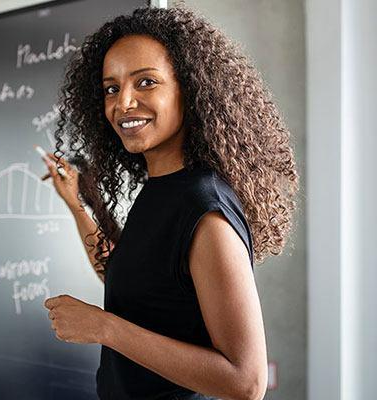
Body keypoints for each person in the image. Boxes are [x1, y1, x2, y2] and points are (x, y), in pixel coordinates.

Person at [42, 5, 298, 400]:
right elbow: (132, 279)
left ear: (190, 89)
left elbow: (246, 382)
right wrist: (79, 201)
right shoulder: (163, 187)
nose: (123, 102)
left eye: (146, 82)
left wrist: (105, 327)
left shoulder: (205, 208)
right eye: (111, 88)